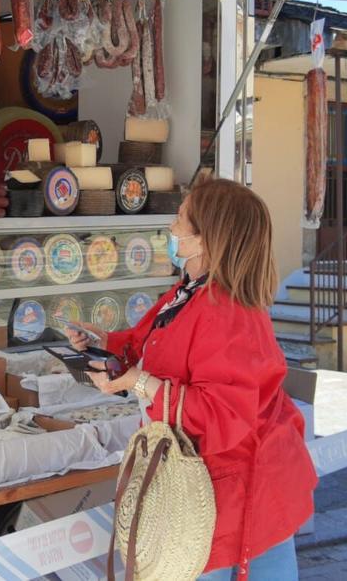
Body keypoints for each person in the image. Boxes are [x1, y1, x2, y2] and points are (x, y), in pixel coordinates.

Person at [69, 178, 317, 581]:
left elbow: (220, 415)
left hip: (239, 489)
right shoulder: (188, 292)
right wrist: (103, 344)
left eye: (181, 219)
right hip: (220, 486)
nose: (172, 227)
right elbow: (151, 345)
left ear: (204, 238)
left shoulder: (228, 312)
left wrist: (139, 383)